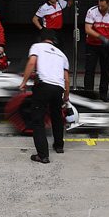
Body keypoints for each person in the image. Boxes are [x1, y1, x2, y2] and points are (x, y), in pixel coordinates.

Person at [19, 29, 70, 164]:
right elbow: (66, 79)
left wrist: (24, 82)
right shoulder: (62, 55)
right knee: (57, 116)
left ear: (40, 38)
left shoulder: (37, 47)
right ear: (54, 40)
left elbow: (31, 63)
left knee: (38, 120)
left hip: (43, 87)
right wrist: (66, 97)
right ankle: (59, 146)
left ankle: (42, 155)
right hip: (58, 88)